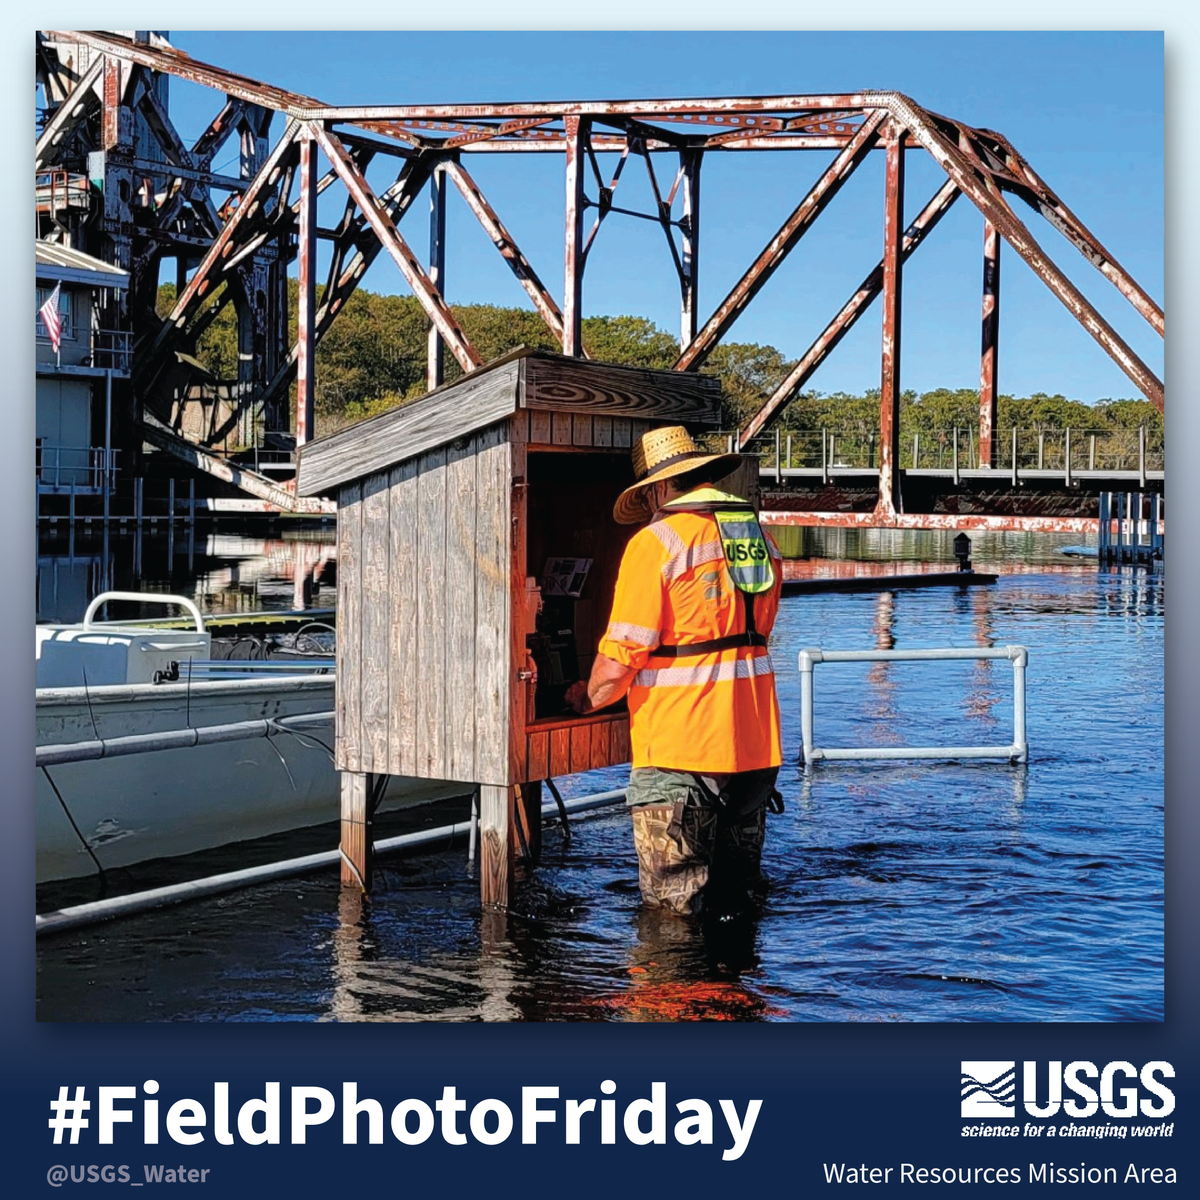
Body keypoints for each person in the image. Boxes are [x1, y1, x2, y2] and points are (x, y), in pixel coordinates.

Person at [565, 426, 784, 917]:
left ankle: (673, 997)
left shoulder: (657, 543)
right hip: (754, 748)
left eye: (647, 497)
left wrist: (586, 696)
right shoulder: (757, 537)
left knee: (673, 913)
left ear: (660, 488)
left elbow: (624, 652)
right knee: (739, 902)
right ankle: (735, 993)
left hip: (679, 748)